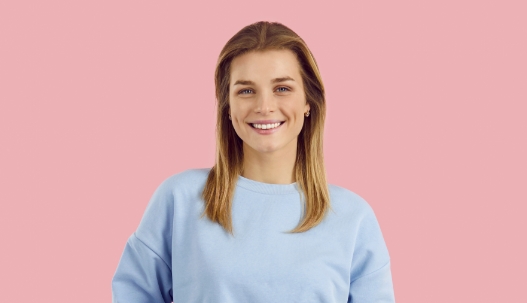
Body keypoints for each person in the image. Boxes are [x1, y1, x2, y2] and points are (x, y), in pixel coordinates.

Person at [112, 21, 395, 303]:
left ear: (308, 101)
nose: (264, 106)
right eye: (246, 90)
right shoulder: (180, 199)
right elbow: (133, 293)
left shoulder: (354, 218)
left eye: (282, 88)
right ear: (227, 106)